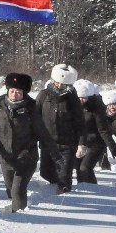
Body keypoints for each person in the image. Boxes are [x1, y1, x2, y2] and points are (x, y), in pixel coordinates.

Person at [0, 72, 63, 212]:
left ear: (24, 93)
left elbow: (43, 134)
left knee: (17, 191)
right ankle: (16, 206)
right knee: (10, 189)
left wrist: (56, 156)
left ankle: (19, 218)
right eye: (12, 91)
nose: (14, 95)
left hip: (26, 157)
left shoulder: (31, 109)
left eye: (18, 92)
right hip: (5, 157)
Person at [36, 64, 83, 193]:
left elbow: (80, 121)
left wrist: (81, 143)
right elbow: (35, 116)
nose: (59, 86)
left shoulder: (73, 99)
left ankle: (65, 196)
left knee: (65, 177)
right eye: (57, 83)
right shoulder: (43, 95)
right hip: (47, 143)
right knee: (45, 173)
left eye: (63, 84)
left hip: (67, 144)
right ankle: (56, 183)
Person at [73, 79, 110, 184]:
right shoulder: (73, 108)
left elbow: (103, 129)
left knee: (85, 167)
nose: (81, 100)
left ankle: (94, 187)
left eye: (83, 98)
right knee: (80, 170)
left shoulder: (96, 108)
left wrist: (112, 146)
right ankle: (85, 188)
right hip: (80, 142)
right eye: (78, 98)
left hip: (96, 142)